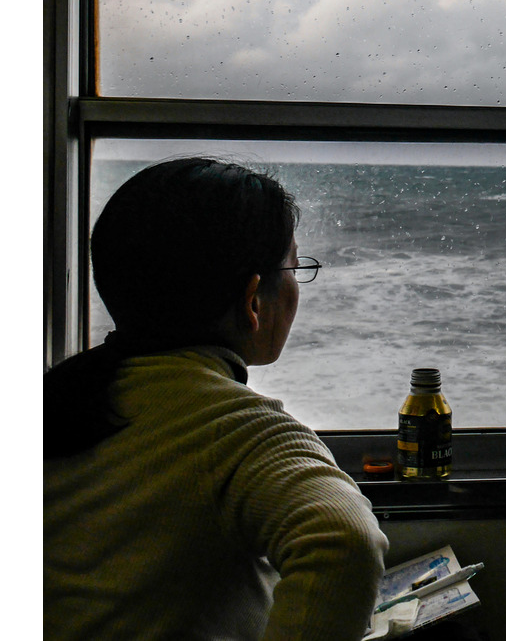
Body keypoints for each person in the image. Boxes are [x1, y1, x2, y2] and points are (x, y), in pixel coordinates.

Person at [44, 157, 388, 641]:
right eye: (293, 265)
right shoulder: (238, 429)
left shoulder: (62, 398)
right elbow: (345, 540)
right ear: (252, 300)